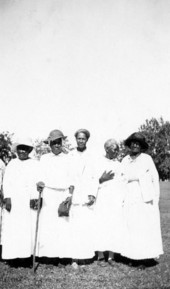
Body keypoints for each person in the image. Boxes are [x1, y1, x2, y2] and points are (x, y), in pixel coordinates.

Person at [121, 132, 163, 268]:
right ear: (129, 145)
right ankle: (133, 256)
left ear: (141, 146)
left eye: (138, 143)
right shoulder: (125, 159)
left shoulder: (147, 159)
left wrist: (155, 198)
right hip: (129, 196)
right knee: (131, 226)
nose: (135, 145)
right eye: (133, 143)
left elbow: (154, 179)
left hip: (144, 198)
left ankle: (143, 258)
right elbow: (120, 178)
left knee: (143, 227)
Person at [37, 130, 74, 260]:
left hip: (62, 192)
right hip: (48, 193)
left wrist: (70, 194)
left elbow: (71, 177)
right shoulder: (44, 158)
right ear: (50, 144)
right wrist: (40, 183)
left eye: (59, 142)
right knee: (48, 223)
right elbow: (40, 176)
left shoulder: (68, 158)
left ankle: (62, 255)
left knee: (62, 223)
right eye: (54, 143)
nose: (57, 145)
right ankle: (48, 255)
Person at [1, 138, 39, 263]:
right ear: (17, 150)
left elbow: (36, 182)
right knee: (14, 227)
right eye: (20, 148)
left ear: (29, 150)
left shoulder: (34, 164)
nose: (22, 151)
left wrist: (34, 197)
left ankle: (27, 257)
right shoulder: (12, 164)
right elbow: (6, 182)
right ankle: (14, 257)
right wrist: (7, 198)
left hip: (28, 199)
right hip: (15, 200)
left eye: (25, 148)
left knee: (27, 227)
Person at [68, 129, 98, 268]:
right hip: (75, 194)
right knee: (74, 227)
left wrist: (92, 194)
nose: (81, 141)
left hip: (86, 194)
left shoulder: (92, 155)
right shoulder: (71, 155)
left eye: (83, 139)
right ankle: (74, 258)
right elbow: (68, 175)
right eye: (79, 138)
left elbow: (94, 176)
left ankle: (85, 257)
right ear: (76, 139)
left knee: (86, 226)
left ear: (87, 140)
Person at [94, 139, 126, 266]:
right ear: (106, 149)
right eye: (114, 149)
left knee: (113, 225)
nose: (117, 151)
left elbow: (123, 181)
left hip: (114, 199)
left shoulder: (119, 164)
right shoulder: (98, 162)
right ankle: (101, 254)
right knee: (101, 224)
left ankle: (111, 256)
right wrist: (101, 180)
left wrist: (121, 198)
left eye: (118, 149)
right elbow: (92, 179)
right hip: (102, 197)